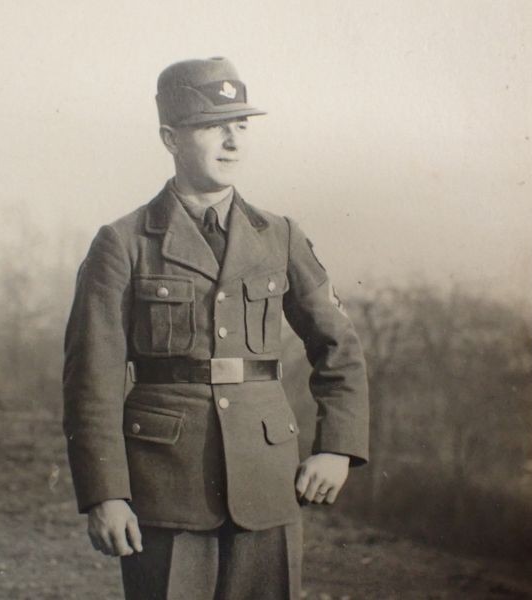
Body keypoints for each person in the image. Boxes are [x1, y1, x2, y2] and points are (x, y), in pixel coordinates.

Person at [62, 57, 369, 600]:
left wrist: (337, 449)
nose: (232, 142)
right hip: (165, 487)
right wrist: (105, 493)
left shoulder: (279, 236)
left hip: (267, 481)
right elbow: (92, 380)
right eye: (212, 126)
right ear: (170, 138)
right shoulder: (125, 242)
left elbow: (338, 346)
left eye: (241, 126)